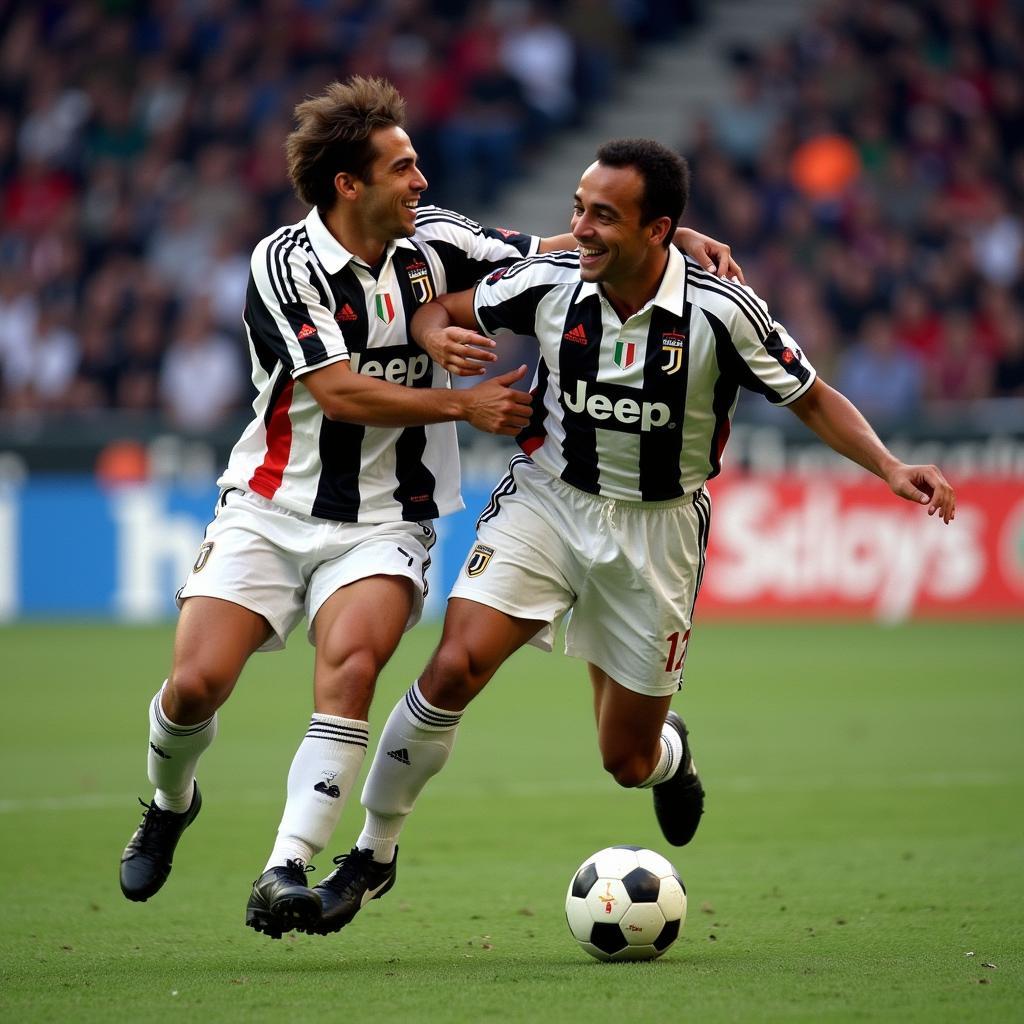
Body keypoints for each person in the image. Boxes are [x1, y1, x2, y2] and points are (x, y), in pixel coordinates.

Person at [117, 81, 741, 940]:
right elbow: (336, 392)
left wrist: (670, 245)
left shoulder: (437, 239)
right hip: (270, 503)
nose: (421, 180)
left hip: (389, 517)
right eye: (402, 166)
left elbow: (549, 249)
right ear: (348, 184)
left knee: (353, 672)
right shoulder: (282, 264)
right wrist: (465, 405)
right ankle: (168, 802)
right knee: (192, 687)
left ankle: (288, 867)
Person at [307, 137, 957, 936]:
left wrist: (889, 467)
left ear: (659, 231)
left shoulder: (722, 312)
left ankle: (669, 756)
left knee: (626, 761)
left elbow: (810, 395)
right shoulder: (548, 284)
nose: (580, 228)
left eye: (603, 216)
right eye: (579, 209)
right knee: (453, 666)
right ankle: (372, 853)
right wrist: (438, 336)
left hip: (660, 531)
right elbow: (443, 305)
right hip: (548, 502)